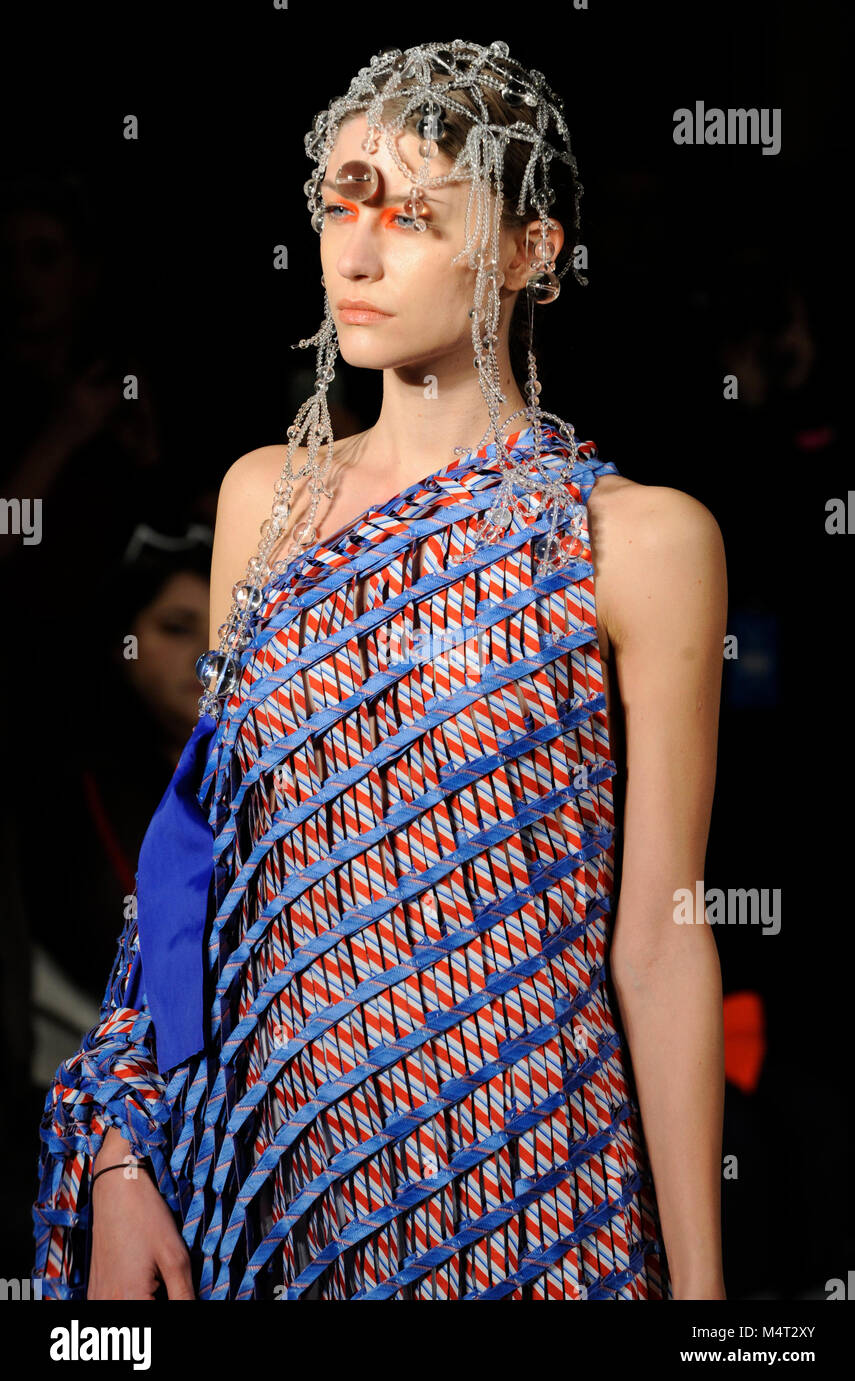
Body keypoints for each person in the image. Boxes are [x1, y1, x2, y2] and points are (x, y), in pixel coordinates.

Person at [32, 39, 727, 1301]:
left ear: (528, 252)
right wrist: (125, 1153)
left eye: (410, 216)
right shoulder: (266, 499)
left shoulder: (639, 538)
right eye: (340, 203)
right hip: (279, 1167)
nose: (355, 252)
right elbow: (198, 858)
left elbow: (664, 937)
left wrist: (701, 1301)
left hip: (530, 1178)